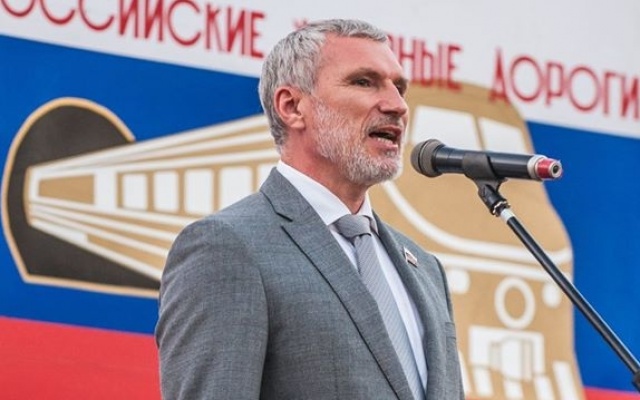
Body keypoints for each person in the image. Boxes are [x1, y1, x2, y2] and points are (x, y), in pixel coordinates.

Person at [155, 18, 464, 400]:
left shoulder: (425, 268)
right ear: (292, 107)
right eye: (364, 82)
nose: (397, 105)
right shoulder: (227, 247)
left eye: (399, 87)